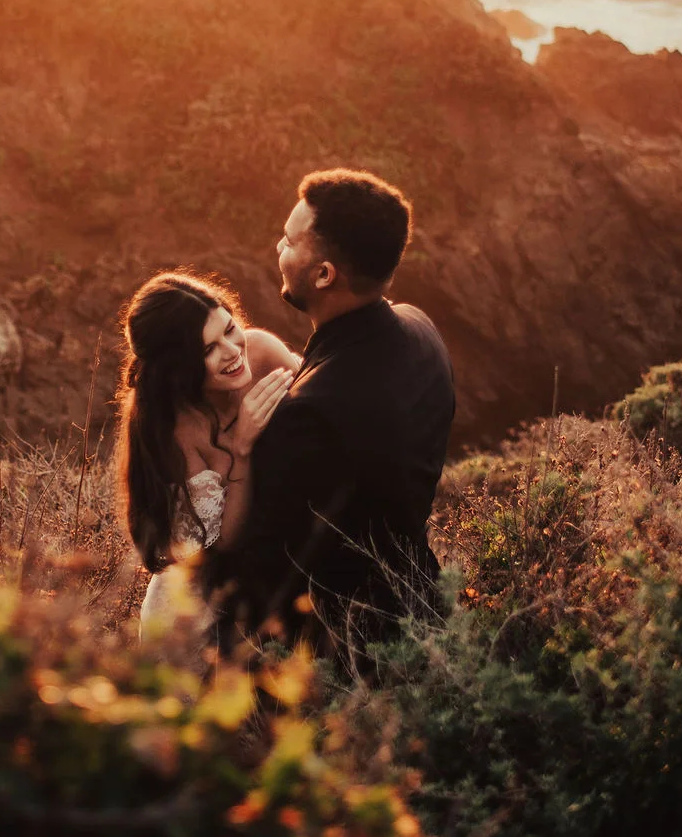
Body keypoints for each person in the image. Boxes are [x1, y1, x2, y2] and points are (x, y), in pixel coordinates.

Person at [199, 169, 455, 665]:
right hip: (423, 599)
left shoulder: (308, 416)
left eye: (291, 241)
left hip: (349, 651)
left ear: (323, 274)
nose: (278, 246)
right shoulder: (421, 330)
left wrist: (242, 446)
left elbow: (257, 566)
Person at [118, 272, 300, 638]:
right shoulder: (176, 431)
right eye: (208, 349)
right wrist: (241, 449)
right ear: (177, 369)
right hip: (194, 611)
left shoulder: (262, 352)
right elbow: (223, 543)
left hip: (276, 576)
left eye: (229, 329)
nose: (233, 350)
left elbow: (326, 398)